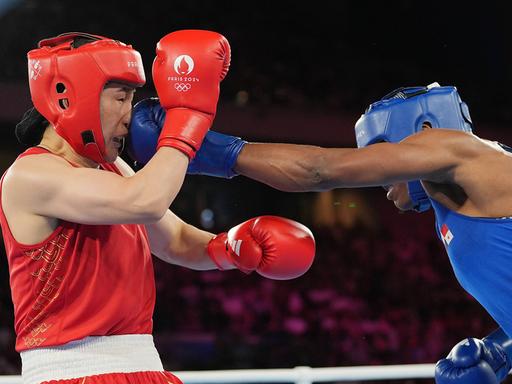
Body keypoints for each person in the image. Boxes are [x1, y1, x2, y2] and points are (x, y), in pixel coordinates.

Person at [130, 82, 512, 383]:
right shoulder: (473, 188)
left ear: (425, 128)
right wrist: (502, 349)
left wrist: (198, 148)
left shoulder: (456, 149)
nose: (378, 168)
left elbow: (319, 170)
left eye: (380, 147)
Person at [0, 31, 315, 384]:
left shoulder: (113, 169)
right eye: (120, 98)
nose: (128, 116)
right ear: (68, 98)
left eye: (131, 99)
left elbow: (175, 239)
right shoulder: (29, 175)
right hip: (73, 373)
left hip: (145, 368)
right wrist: (188, 118)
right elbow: (145, 202)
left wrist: (230, 247)